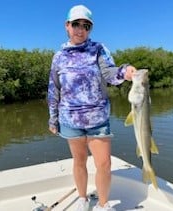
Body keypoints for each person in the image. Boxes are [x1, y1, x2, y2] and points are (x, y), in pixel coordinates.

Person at [47, 5, 136, 211]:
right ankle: (82, 198)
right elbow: (53, 89)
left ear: (90, 29)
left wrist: (125, 72)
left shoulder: (98, 49)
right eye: (76, 24)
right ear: (67, 26)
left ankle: (103, 205)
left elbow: (109, 73)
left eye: (86, 25)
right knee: (79, 161)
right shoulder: (58, 56)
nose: (81, 29)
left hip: (97, 118)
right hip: (69, 119)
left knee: (104, 164)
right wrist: (53, 119)